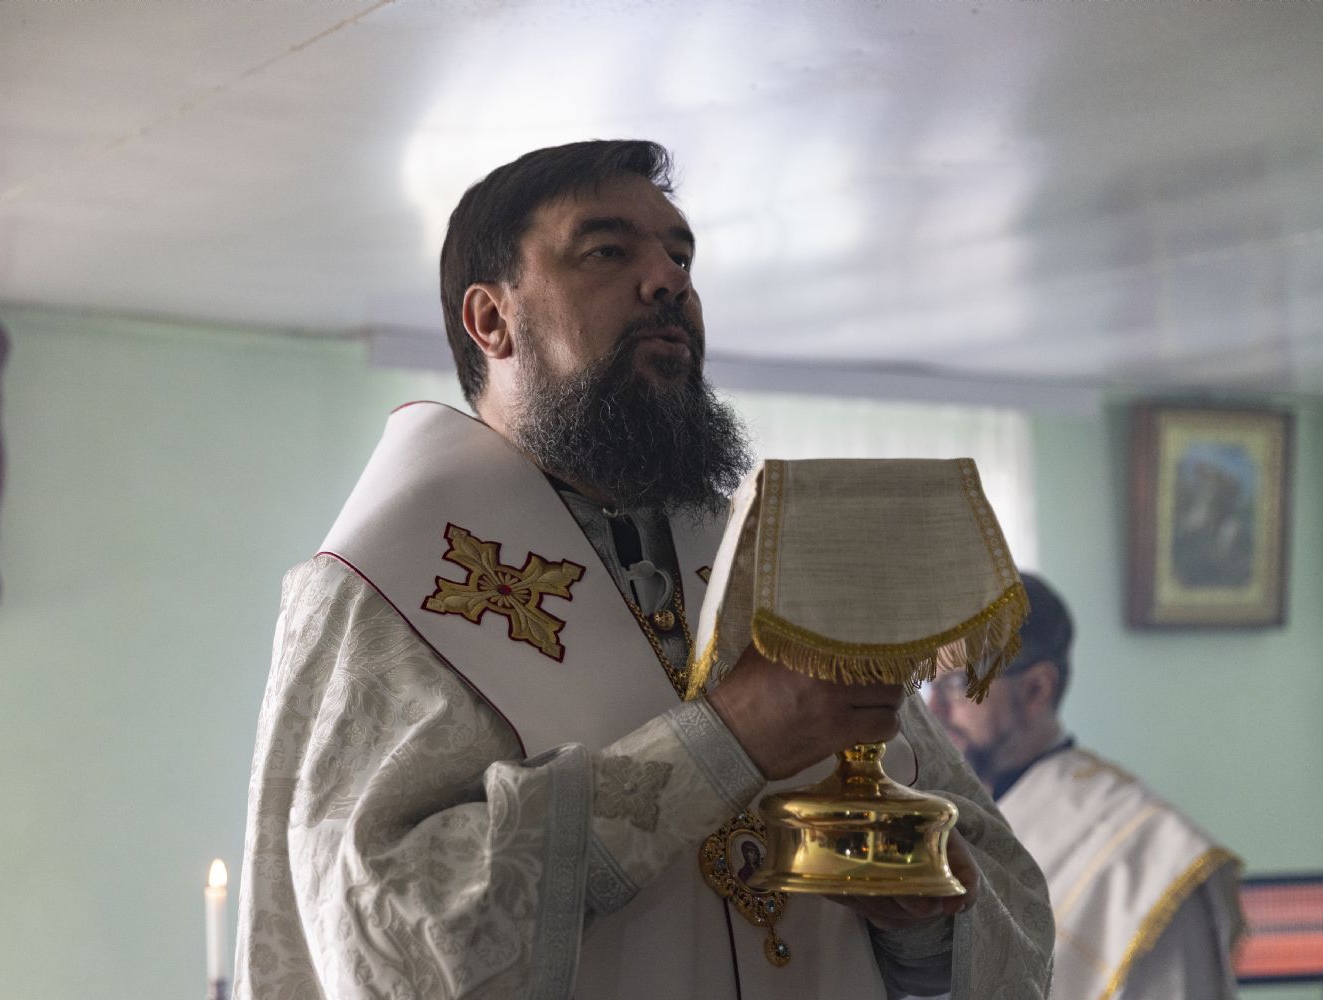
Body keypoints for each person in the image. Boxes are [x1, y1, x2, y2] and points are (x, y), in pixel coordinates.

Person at [234, 140, 1053, 1000]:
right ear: (491, 320)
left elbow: (1006, 897)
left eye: (681, 256)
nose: (668, 281)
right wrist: (726, 742)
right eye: (606, 251)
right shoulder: (388, 586)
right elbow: (388, 939)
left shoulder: (769, 566)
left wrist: (921, 922)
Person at [928, 572, 1245, 1000]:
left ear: (1036, 689)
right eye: (929, 684)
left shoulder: (1146, 854)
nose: (934, 710)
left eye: (957, 684)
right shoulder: (940, 814)